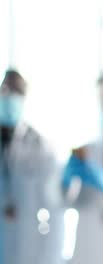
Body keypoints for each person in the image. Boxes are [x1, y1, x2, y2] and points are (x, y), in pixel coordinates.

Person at [0, 70, 63, 264]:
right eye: (5, 90)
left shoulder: (42, 149)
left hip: (26, 251)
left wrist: (51, 258)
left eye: (17, 92)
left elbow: (55, 213)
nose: (10, 96)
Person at [61, 71, 103, 264]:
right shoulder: (87, 151)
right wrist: (65, 183)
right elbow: (65, 201)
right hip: (87, 253)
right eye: (102, 100)